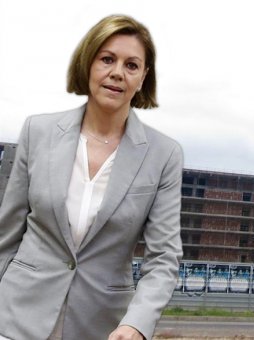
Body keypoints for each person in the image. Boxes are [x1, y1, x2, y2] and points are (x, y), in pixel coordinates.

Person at [0, 14, 183, 340]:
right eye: (107, 59)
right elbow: (7, 235)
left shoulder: (164, 155)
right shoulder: (37, 131)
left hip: (103, 327)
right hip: (15, 318)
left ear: (143, 77)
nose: (117, 72)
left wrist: (137, 324)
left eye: (131, 65)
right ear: (88, 63)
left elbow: (164, 258)